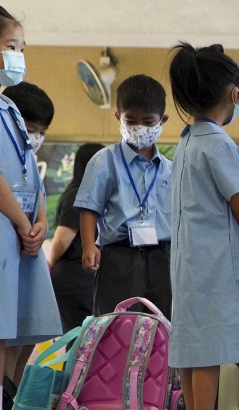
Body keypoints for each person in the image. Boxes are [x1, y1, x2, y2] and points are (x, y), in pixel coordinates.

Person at [0, 3, 60, 410]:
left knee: (10, 323)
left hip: (19, 229)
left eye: (22, 48)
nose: (18, 56)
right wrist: (20, 219)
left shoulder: (6, 105)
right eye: (10, 47)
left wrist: (41, 220)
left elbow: (29, 170)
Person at [167, 42, 239, 410]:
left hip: (187, 257)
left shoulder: (186, 142)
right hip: (216, 258)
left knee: (190, 338)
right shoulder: (219, 143)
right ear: (233, 95)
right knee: (209, 339)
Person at [75, 74, 172, 318]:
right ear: (118, 118)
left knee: (165, 325)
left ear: (163, 120)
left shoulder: (171, 168)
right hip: (120, 255)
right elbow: (89, 207)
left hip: (164, 256)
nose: (139, 128)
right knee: (118, 325)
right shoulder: (105, 161)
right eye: (131, 120)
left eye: (148, 122)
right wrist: (88, 245)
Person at [0, 81, 54, 389]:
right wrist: (22, 225)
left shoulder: (28, 160)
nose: (35, 137)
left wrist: (40, 227)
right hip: (3, 256)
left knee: (27, 335)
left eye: (41, 131)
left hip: (28, 258)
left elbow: (40, 202)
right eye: (30, 127)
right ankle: (0, 406)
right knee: (4, 339)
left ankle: (13, 405)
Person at [48, 143, 103, 332]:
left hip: (84, 277)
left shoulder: (92, 194)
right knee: (79, 338)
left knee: (85, 338)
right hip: (75, 278)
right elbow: (63, 237)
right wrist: (50, 262)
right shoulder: (78, 196)